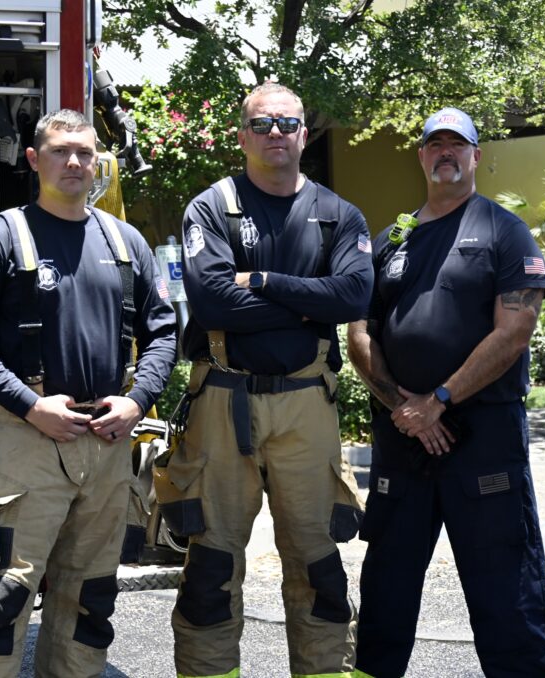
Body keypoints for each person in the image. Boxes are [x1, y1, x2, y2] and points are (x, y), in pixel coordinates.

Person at [0, 108, 177, 676]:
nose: (73, 162)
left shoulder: (125, 242)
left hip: (108, 446)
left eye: (84, 152)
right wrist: (30, 405)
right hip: (29, 443)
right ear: (33, 159)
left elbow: (163, 332)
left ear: (97, 161)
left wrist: (137, 400)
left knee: (89, 603)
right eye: (59, 151)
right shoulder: (0, 238)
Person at [347, 106, 545, 678]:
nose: (446, 153)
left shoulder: (503, 231)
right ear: (421, 156)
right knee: (387, 584)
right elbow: (360, 332)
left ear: (475, 156)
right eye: (435, 144)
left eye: (457, 145)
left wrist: (438, 400)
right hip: (403, 437)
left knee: (506, 588)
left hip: (483, 437)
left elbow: (515, 331)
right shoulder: (392, 239)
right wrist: (405, 408)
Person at [167, 82, 372, 678]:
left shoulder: (339, 215)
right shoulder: (212, 207)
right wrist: (311, 303)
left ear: (304, 134)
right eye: (261, 124)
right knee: (210, 569)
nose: (275, 133)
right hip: (221, 402)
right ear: (242, 136)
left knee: (319, 567)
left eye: (286, 123)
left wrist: (262, 282)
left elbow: (355, 295)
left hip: (307, 405)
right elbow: (212, 302)